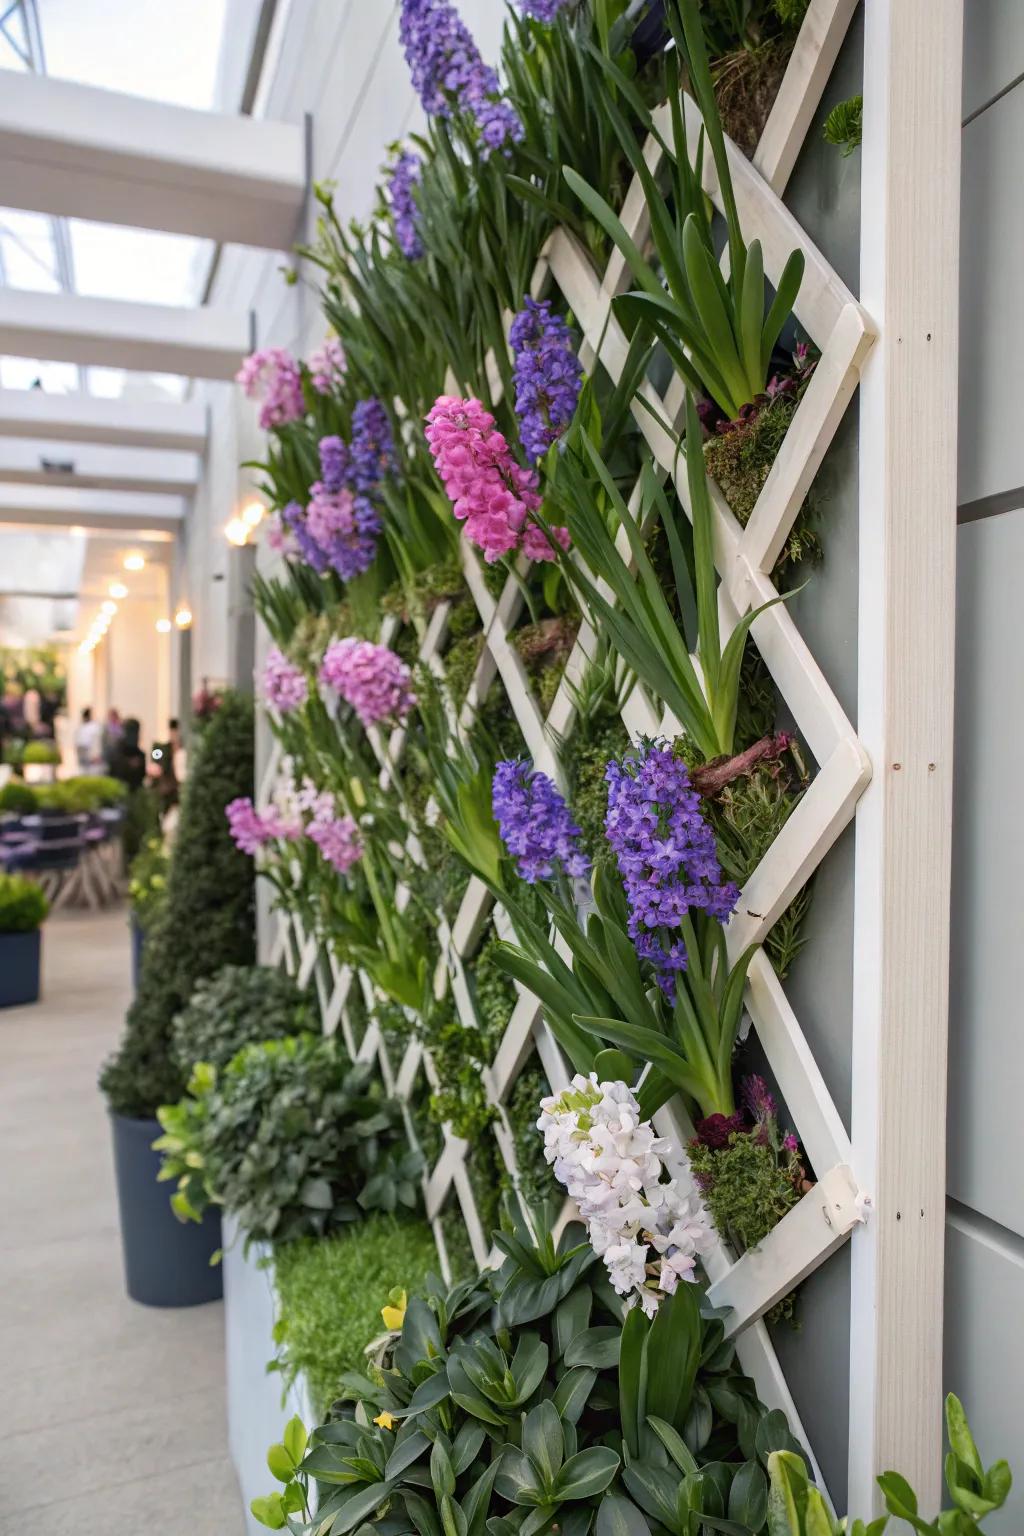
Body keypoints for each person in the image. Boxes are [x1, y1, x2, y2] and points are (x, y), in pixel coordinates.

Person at [107, 718, 148, 791]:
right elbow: (114, 774)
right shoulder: (116, 751)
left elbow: (142, 775)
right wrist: (128, 764)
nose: (134, 735)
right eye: (131, 731)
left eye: (135, 732)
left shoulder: (139, 754)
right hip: (119, 790)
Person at [74, 707, 105, 775]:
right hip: (82, 750)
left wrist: (96, 754)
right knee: (83, 770)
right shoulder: (82, 726)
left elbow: (97, 741)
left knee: (92, 770)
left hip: (90, 751)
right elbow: (78, 740)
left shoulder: (94, 726)